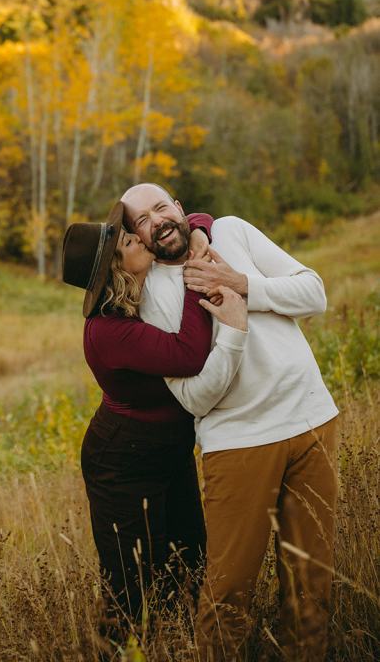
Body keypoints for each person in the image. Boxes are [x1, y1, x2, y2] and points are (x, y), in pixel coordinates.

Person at [120, 183, 338, 662]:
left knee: (311, 586)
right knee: (228, 594)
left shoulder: (233, 232)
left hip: (312, 421)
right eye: (141, 220)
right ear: (138, 236)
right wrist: (233, 329)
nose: (156, 221)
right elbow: (195, 400)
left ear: (179, 208)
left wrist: (243, 285)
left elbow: (314, 293)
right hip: (239, 443)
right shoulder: (150, 295)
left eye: (161, 208)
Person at [62, 201, 249, 637]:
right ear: (115, 269)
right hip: (123, 460)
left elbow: (194, 219)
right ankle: (122, 650)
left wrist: (197, 235)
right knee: (130, 582)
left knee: (189, 560)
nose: (136, 236)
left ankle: (179, 644)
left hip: (169, 447)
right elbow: (188, 354)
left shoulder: (136, 294)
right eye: (125, 241)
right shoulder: (108, 331)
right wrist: (196, 274)